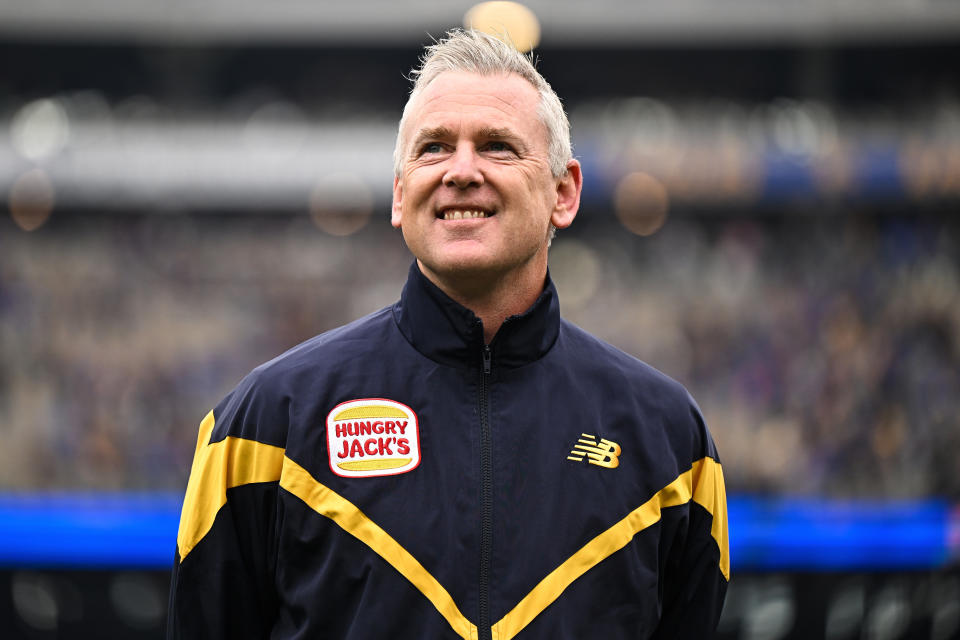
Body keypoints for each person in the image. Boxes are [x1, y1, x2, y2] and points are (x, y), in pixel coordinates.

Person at [167, 28, 728, 640]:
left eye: (497, 147)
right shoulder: (266, 422)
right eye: (434, 148)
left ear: (563, 193)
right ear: (400, 195)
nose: (462, 171)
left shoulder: (671, 438)